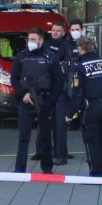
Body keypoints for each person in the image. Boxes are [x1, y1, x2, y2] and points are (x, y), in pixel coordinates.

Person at [10, 27, 59, 174]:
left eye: (33, 39)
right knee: (23, 135)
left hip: (44, 100)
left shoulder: (51, 57)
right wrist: (23, 93)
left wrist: (51, 100)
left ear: (41, 41)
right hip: (26, 100)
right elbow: (14, 78)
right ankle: (20, 169)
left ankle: (47, 167)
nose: (30, 42)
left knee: (45, 135)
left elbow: (59, 81)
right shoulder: (21, 56)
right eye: (29, 39)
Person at [67, 36, 102, 177]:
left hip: (91, 107)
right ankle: (100, 169)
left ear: (80, 48)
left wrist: (70, 114)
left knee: (90, 140)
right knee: (99, 139)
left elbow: (77, 93)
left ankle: (96, 173)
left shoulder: (80, 66)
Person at [33, 20, 68, 161]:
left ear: (63, 32)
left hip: (61, 89)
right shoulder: (46, 45)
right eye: (53, 30)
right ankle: (40, 151)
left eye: (58, 30)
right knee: (43, 121)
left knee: (60, 124)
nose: (55, 32)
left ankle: (60, 153)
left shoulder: (66, 46)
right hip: (46, 88)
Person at [51, 19, 83, 165]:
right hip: (66, 88)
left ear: (82, 30)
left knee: (89, 122)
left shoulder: (88, 45)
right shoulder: (65, 45)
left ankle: (93, 154)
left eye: (77, 29)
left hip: (83, 87)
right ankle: (60, 154)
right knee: (61, 122)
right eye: (73, 29)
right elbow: (57, 64)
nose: (75, 31)